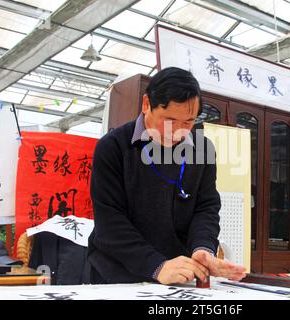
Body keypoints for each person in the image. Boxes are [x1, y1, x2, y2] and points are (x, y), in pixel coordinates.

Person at [88, 67, 247, 284]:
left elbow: (206, 207)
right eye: (169, 120)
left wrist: (202, 248)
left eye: (188, 122)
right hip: (116, 273)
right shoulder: (113, 147)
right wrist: (156, 266)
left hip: (176, 275)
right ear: (146, 105)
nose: (178, 132)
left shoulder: (202, 149)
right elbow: (110, 222)